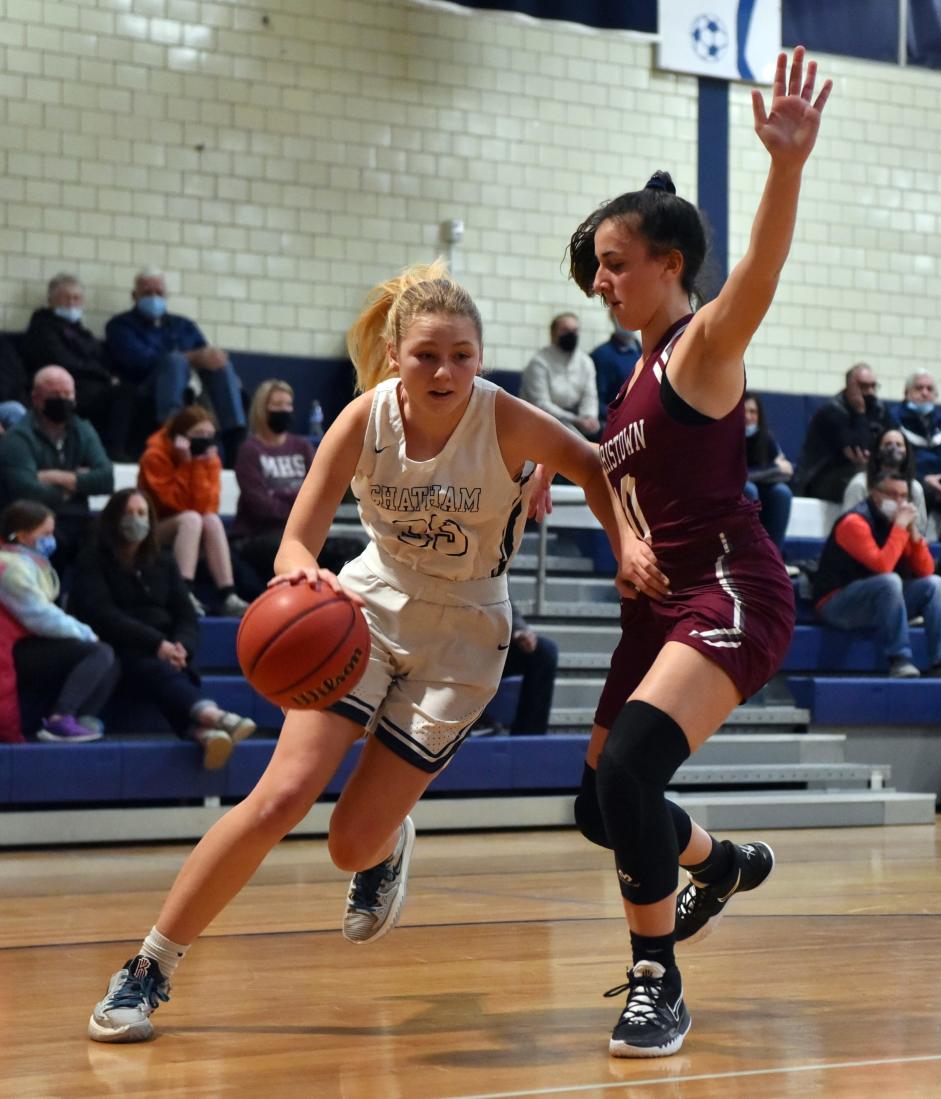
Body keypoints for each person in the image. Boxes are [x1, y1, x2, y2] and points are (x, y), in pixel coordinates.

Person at [87, 258, 623, 1044]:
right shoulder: (361, 417)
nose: (446, 371)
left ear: (483, 356)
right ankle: (149, 964)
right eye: (428, 354)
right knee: (281, 794)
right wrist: (308, 584)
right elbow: (296, 540)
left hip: (466, 633)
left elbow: (595, 464)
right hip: (364, 604)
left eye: (464, 355)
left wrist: (623, 551)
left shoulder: (507, 418)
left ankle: (384, 839)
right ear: (397, 355)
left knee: (348, 843)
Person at [564, 48, 831, 1058]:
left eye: (617, 262)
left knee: (633, 768)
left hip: (731, 586)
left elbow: (758, 271)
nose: (601, 280)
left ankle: (657, 980)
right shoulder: (626, 380)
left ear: (669, 264)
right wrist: (624, 537)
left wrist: (786, 167)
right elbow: (619, 487)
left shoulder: (703, 348)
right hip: (656, 602)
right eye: (597, 265)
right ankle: (717, 862)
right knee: (599, 805)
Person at [70, 488, 256, 768]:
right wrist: (158, 644)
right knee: (154, 667)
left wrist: (183, 646)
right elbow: (103, 614)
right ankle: (211, 716)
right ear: (113, 519)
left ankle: (205, 733)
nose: (136, 520)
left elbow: (186, 614)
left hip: (166, 648)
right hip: (120, 645)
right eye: (129, 513)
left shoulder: (164, 560)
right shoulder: (92, 559)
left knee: (169, 668)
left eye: (142, 513)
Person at [814, 470, 941, 679]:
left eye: (903, 496)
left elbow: (926, 570)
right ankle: (899, 660)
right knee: (890, 581)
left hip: (880, 602)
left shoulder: (898, 524)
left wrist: (915, 535)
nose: (899, 502)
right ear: (874, 493)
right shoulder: (854, 522)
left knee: (934, 584)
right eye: (892, 494)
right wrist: (900, 527)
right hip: (837, 603)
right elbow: (882, 566)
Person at [0, 500, 118, 742]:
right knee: (98, 653)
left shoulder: (32, 563)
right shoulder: (10, 568)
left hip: (29, 643)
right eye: (46, 533)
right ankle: (59, 720)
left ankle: (80, 719)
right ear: (22, 536)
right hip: (15, 650)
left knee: (112, 660)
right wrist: (83, 632)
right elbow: (39, 616)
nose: (52, 539)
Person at [232, 380, 366, 590]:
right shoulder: (250, 450)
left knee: (353, 549)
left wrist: (282, 497)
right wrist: (298, 501)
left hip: (300, 534)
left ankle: (338, 605)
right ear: (261, 409)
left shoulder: (301, 446)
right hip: (258, 536)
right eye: (277, 404)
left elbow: (319, 493)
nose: (284, 410)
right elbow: (260, 506)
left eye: (288, 404)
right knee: (281, 549)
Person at [105, 268, 246, 461]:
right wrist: (190, 357)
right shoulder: (120, 326)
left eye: (159, 293)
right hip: (144, 389)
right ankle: (173, 429)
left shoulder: (183, 325)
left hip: (189, 388)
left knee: (219, 362)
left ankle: (235, 438)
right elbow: (137, 361)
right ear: (134, 296)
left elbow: (204, 355)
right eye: (148, 293)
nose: (154, 297)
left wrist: (210, 358)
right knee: (174, 361)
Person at [137, 406, 249, 617]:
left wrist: (198, 466)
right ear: (180, 436)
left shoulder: (210, 460)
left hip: (193, 527)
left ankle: (228, 594)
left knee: (211, 521)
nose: (205, 440)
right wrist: (186, 464)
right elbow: (171, 504)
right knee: (191, 519)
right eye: (198, 435)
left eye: (209, 435)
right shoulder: (154, 456)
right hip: (155, 527)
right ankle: (184, 592)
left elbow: (208, 506)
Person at [0, 366, 114, 571]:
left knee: (108, 539)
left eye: (68, 394)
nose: (63, 400)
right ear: (36, 399)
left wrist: (57, 477)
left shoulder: (82, 429)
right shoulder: (18, 437)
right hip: (32, 522)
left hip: (77, 516)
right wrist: (75, 486)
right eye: (55, 395)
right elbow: (27, 490)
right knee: (58, 544)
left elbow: (106, 479)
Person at [23, 273, 121, 451]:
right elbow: (61, 360)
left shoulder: (82, 331)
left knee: (127, 391)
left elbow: (102, 357)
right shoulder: (43, 326)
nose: (71, 303)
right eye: (65, 298)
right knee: (120, 395)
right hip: (63, 385)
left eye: (76, 298)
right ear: (51, 300)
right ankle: (113, 450)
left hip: (91, 384)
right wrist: (104, 376)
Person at [794, 362, 892, 501]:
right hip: (822, 477)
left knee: (901, 485)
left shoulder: (879, 410)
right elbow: (860, 451)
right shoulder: (832, 411)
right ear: (850, 387)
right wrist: (860, 413)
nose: (870, 392)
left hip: (863, 471)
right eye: (864, 386)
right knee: (860, 484)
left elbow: (891, 441)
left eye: (873, 386)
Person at [889, 371, 941, 547]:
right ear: (907, 393)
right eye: (919, 388)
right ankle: (916, 550)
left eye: (929, 389)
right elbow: (895, 460)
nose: (925, 392)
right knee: (919, 491)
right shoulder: (894, 419)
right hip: (914, 480)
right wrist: (925, 479)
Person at [520, 312, 601, 439]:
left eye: (574, 330)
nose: (570, 334)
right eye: (564, 330)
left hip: (573, 423)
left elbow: (589, 396)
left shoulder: (586, 362)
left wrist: (589, 417)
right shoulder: (539, 363)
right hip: (539, 423)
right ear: (552, 334)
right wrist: (575, 420)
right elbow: (541, 404)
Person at [842, 428, 926, 532]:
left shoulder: (915, 488)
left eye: (899, 445)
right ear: (877, 451)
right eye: (888, 444)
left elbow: (920, 532)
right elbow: (848, 527)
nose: (894, 448)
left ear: (906, 452)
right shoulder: (859, 484)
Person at [743, 391, 793, 553]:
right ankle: (748, 552)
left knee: (782, 492)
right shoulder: (727, 436)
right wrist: (772, 470)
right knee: (750, 489)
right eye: (744, 412)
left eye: (753, 412)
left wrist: (767, 472)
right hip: (735, 491)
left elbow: (787, 472)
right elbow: (739, 476)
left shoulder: (766, 438)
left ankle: (772, 555)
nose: (748, 416)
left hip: (762, 490)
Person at [499, 602, 559, 734]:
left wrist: (518, 629)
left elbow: (503, 596)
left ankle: (528, 741)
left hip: (486, 644)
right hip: (453, 646)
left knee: (543, 652)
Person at [590, 312, 641, 430]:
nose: (628, 319)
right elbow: (595, 401)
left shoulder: (645, 353)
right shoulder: (601, 356)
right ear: (612, 318)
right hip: (615, 428)